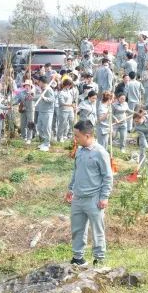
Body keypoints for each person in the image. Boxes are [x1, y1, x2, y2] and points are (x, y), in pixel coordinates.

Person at [65, 119, 113, 267]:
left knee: (97, 230)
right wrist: (71, 189)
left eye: (77, 136)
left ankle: (99, 259)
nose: (75, 138)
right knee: (77, 229)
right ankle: (78, 258)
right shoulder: (79, 151)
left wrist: (104, 197)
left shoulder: (100, 153)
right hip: (78, 199)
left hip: (94, 199)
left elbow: (108, 176)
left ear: (87, 136)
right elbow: (76, 171)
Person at [35, 76, 56, 151]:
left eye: (39, 82)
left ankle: (47, 144)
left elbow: (53, 99)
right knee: (39, 127)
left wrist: (45, 98)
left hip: (48, 112)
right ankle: (44, 141)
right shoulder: (43, 89)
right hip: (41, 111)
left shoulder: (49, 89)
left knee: (47, 128)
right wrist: (33, 97)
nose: (38, 83)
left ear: (42, 82)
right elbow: (40, 97)